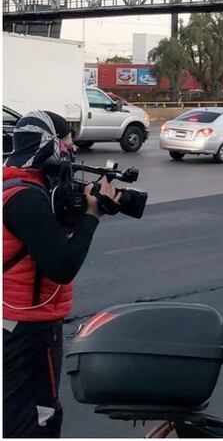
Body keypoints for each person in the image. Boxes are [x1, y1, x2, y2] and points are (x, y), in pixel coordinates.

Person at [3, 111, 119, 438]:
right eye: (67, 141)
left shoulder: (16, 183)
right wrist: (92, 216)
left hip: (14, 319)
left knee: (17, 408)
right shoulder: (26, 198)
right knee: (37, 416)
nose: (71, 149)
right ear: (50, 145)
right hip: (27, 329)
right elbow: (62, 266)